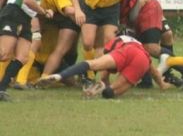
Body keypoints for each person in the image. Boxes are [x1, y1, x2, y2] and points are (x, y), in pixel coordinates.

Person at [66, 0, 150, 83]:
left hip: (111, 8)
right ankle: (88, 74)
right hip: (90, 7)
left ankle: (104, 78)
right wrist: (77, 10)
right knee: (88, 43)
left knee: (110, 42)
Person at [0, 0, 53, 101]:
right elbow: (28, 0)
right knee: (4, 54)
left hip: (25, 17)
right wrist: (44, 11)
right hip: (14, 14)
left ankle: (1, 90)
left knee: (23, 56)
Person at [37, 35, 167, 98]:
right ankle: (103, 89)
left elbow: (105, 68)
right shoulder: (142, 49)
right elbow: (155, 73)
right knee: (113, 92)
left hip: (125, 51)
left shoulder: (116, 41)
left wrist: (103, 79)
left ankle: (60, 75)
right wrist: (162, 85)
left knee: (92, 64)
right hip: (141, 59)